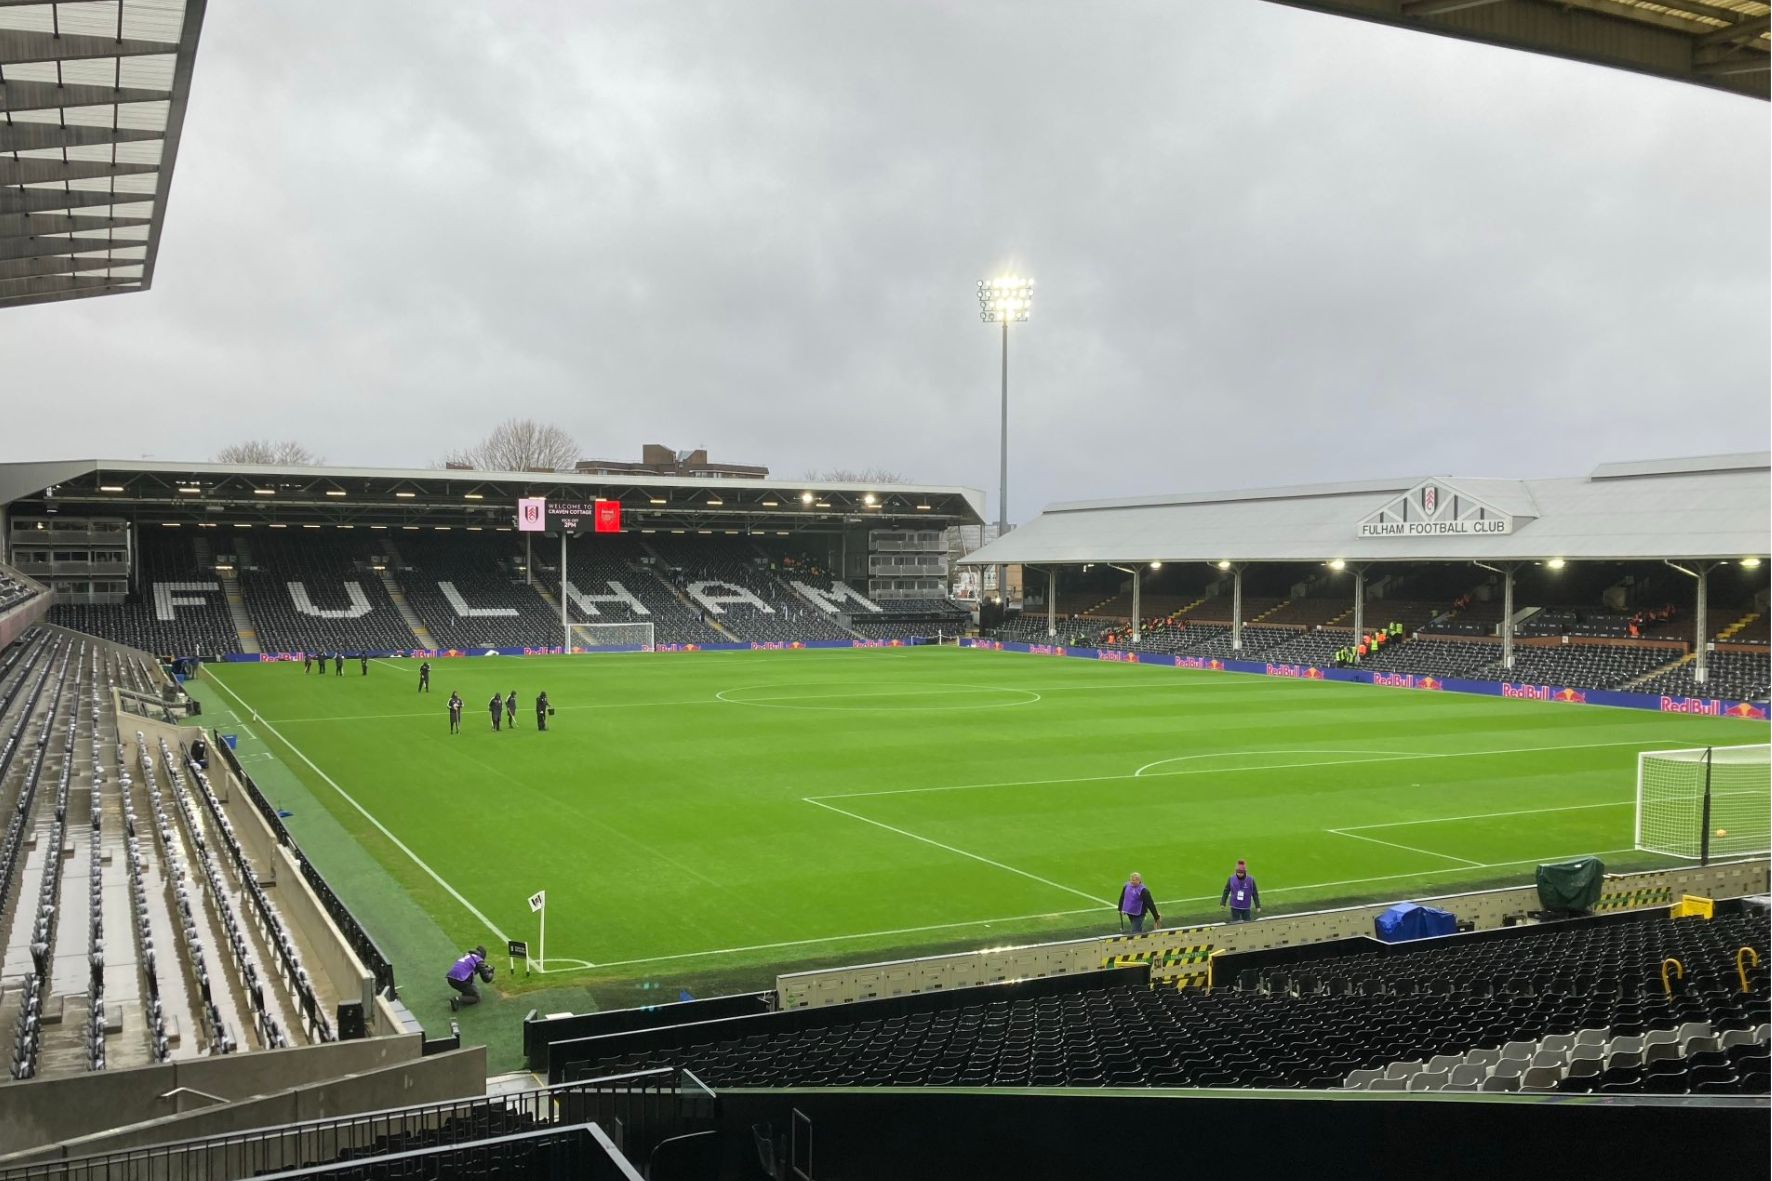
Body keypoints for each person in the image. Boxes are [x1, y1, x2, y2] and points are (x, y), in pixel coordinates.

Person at [445, 945, 494, 1010]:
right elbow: (486, 979)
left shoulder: (467, 955)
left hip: (450, 978)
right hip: (460, 980)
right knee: (476, 997)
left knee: (469, 985)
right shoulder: (479, 959)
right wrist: (491, 972)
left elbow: (471, 970)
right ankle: (457, 999)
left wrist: (485, 969)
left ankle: (466, 995)